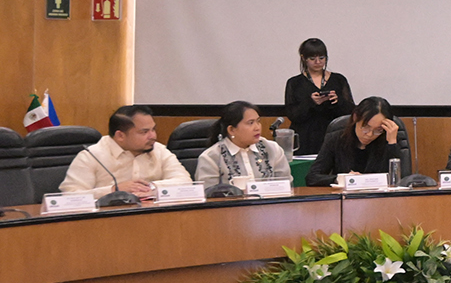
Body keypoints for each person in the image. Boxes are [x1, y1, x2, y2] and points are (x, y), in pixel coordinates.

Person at [60, 106, 190, 199]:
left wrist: (151, 187)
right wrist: (114, 190)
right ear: (120, 136)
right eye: (144, 132)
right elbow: (70, 196)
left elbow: (186, 182)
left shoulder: (159, 150)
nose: (153, 136)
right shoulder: (91, 156)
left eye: (153, 129)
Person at [195, 100, 292, 187]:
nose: (257, 127)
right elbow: (208, 195)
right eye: (250, 123)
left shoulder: (272, 149)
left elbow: (287, 186)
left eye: (258, 121)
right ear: (231, 130)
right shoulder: (211, 158)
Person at [281, 38, 351, 155]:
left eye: (322, 58)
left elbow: (350, 111)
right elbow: (292, 114)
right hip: (305, 137)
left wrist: (337, 101)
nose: (318, 62)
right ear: (304, 58)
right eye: (312, 59)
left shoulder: (339, 80)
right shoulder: (294, 83)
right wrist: (311, 102)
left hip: (333, 136)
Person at [310, 97, 406, 181]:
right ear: (355, 117)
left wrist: (392, 143)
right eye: (366, 127)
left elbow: (399, 179)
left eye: (378, 130)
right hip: (345, 195)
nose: (370, 134)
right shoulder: (336, 139)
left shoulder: (389, 141)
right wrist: (341, 179)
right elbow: (312, 177)